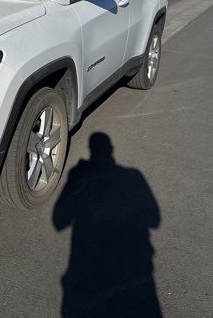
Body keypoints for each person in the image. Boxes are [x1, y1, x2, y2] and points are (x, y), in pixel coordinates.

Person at [53, 132, 162, 317]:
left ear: (90, 150)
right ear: (111, 150)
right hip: (131, 268)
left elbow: (59, 221)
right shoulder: (133, 176)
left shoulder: (79, 175)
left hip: (86, 269)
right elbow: (154, 219)